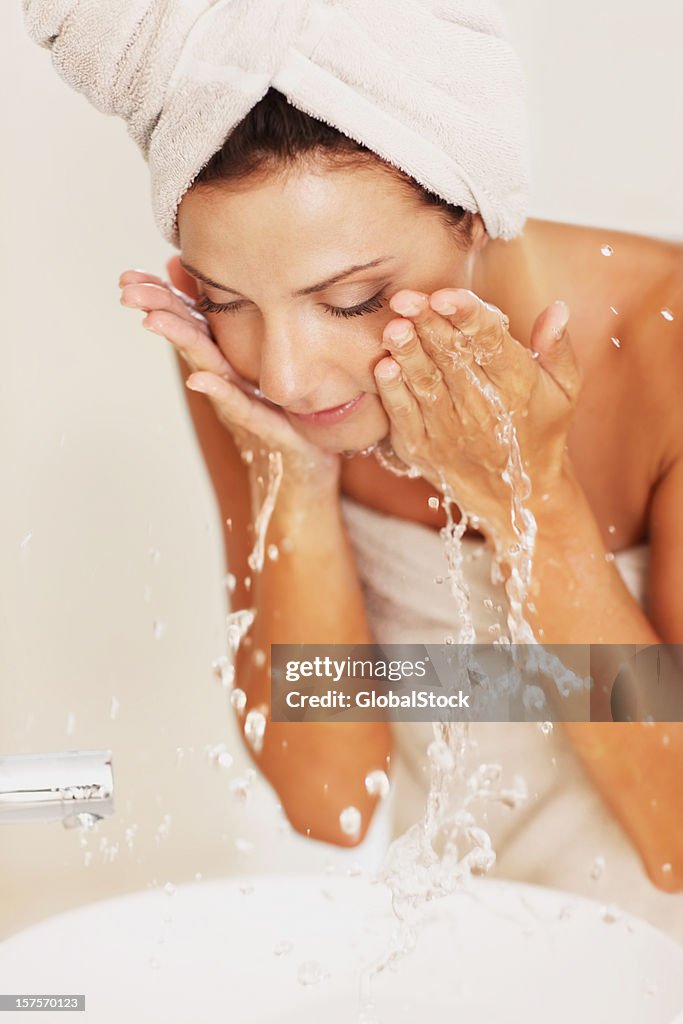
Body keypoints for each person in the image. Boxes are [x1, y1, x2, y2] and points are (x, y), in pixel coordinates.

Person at [26, 0, 682, 939]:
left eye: (350, 300)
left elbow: (677, 838)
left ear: (475, 212)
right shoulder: (249, 370)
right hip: (463, 958)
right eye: (224, 298)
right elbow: (328, 802)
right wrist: (292, 481)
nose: (287, 373)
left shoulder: (669, 345)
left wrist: (527, 496)